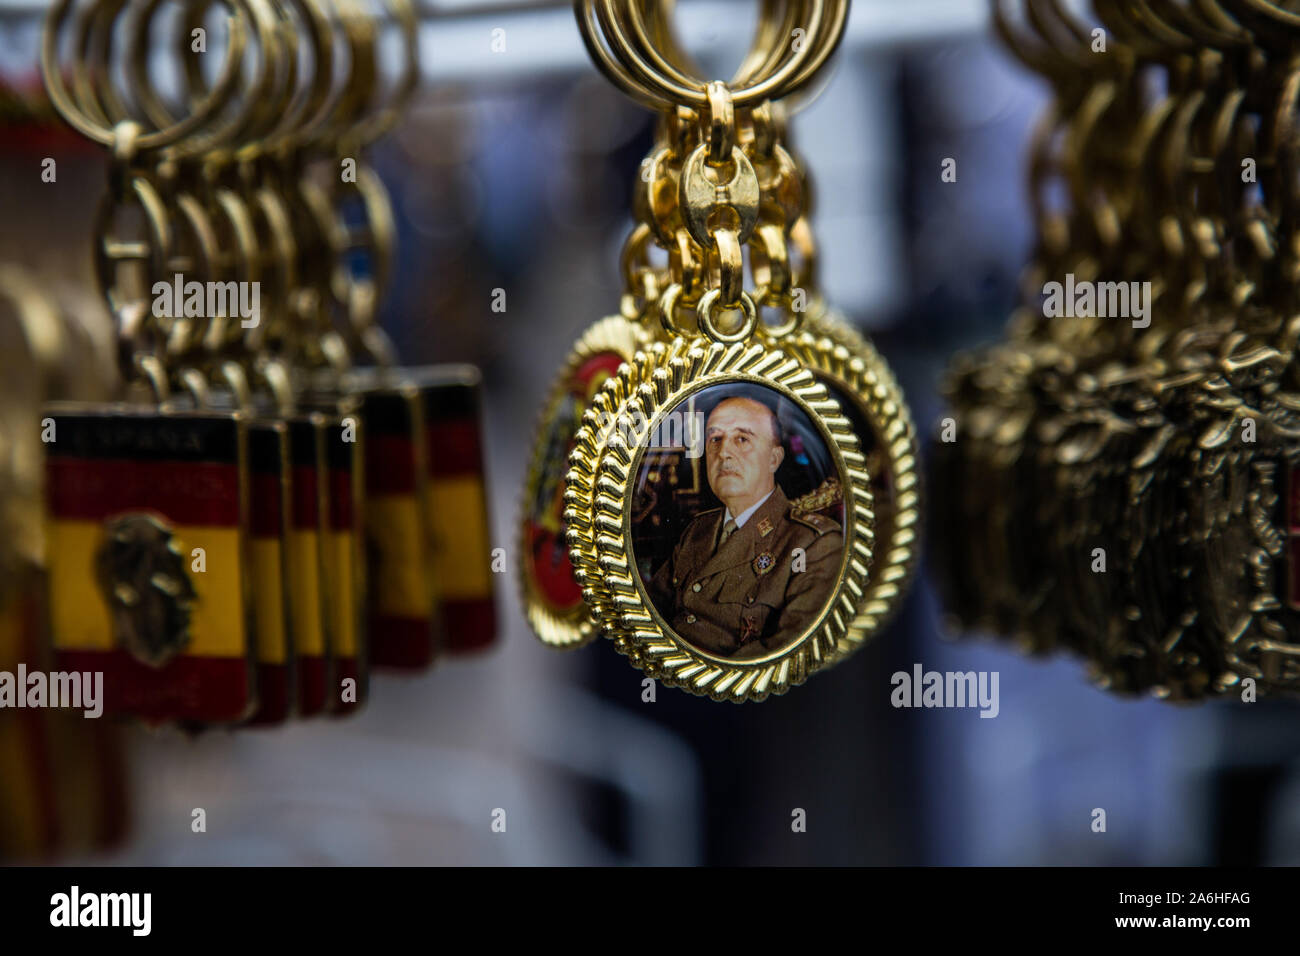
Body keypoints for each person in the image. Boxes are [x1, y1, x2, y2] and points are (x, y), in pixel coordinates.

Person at [647, 396, 843, 659]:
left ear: (774, 459)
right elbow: (650, 612)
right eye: (715, 439)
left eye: (742, 439)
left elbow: (787, 655)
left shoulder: (813, 544)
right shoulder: (698, 530)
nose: (723, 452)